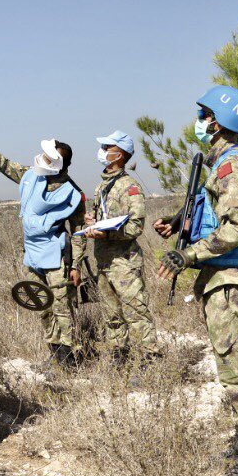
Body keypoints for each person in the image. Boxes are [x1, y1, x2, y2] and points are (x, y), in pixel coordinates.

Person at [154, 86, 238, 476]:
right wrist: (179, 223)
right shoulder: (219, 164)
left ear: (216, 122)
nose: (199, 121)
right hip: (219, 281)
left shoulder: (231, 166)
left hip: (230, 284)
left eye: (203, 114)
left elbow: (237, 227)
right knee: (234, 368)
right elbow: (214, 217)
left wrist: (188, 256)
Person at [0, 135, 86, 369]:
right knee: (42, 305)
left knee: (62, 306)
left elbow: (79, 231)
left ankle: (70, 359)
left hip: (57, 256)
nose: (42, 158)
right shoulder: (32, 175)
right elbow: (6, 165)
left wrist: (76, 265)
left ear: (58, 163)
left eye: (49, 156)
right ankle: (55, 352)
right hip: (34, 254)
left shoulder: (72, 193)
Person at [84, 130, 159, 364]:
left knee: (136, 311)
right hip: (103, 261)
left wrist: (107, 232)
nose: (103, 152)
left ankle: (151, 358)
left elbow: (136, 226)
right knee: (111, 314)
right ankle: (119, 356)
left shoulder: (130, 186)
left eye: (108, 148)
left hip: (124, 262)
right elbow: (100, 217)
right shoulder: (101, 187)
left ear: (120, 155)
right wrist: (91, 223)